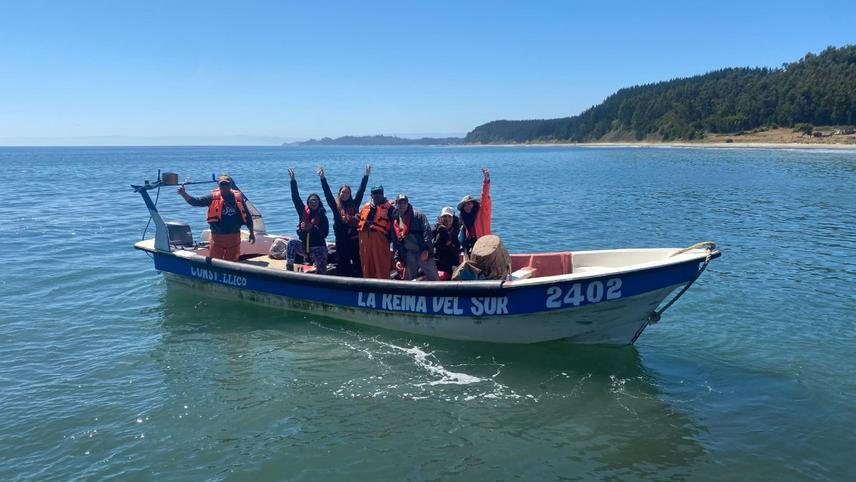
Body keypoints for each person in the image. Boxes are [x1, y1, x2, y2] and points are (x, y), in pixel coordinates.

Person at [178, 175, 255, 261]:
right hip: (217, 237)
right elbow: (196, 202)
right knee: (215, 261)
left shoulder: (238, 198)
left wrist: (251, 233)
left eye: (227, 184)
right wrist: (183, 194)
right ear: (219, 185)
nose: (224, 186)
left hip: (234, 237)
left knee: (232, 261)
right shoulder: (212, 198)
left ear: (231, 185)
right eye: (222, 184)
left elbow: (247, 216)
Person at [318, 164, 370, 277]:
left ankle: (360, 285)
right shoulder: (335, 206)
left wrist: (366, 176)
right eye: (343, 192)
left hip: (354, 240)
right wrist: (323, 178)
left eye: (347, 192)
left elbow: (361, 191)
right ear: (339, 193)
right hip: (341, 241)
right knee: (344, 265)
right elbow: (327, 194)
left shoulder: (355, 204)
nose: (345, 194)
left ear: (350, 194)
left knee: (358, 264)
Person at [285, 168, 329, 273]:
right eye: (311, 201)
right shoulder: (302, 212)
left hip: (318, 248)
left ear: (319, 202)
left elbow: (325, 234)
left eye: (315, 200)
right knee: (291, 243)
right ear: (308, 203)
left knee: (322, 260)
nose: (313, 202)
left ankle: (321, 275)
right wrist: (292, 180)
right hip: (304, 247)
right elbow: (295, 197)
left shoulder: (322, 216)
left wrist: (312, 228)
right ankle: (289, 268)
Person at [392, 194, 439, 281]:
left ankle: (438, 293)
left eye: (404, 202)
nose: (402, 205)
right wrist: (398, 259)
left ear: (407, 204)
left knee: (434, 277)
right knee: (411, 278)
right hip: (409, 253)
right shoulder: (395, 219)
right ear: (396, 204)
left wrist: (426, 250)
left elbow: (427, 232)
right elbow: (396, 241)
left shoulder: (418, 216)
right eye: (400, 203)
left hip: (422, 251)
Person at [356, 185, 395, 279]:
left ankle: (384, 287)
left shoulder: (390, 209)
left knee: (381, 266)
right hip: (364, 241)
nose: (378, 195)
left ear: (383, 194)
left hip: (380, 241)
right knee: (367, 266)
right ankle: (368, 286)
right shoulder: (366, 206)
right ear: (371, 195)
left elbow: (395, 227)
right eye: (375, 193)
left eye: (380, 192)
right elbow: (358, 219)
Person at [458, 167, 492, 257]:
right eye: (465, 205)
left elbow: (485, 196)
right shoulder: (464, 219)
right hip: (471, 248)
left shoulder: (482, 212)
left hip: (485, 247)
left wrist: (486, 181)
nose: (468, 206)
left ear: (474, 204)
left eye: (470, 203)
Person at [432, 206, 461, 278]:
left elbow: (457, 250)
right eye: (445, 216)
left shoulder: (457, 232)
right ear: (441, 218)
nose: (447, 219)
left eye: (449, 217)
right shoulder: (436, 229)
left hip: (451, 264)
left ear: (453, 219)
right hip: (436, 261)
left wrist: (449, 243)